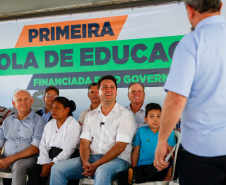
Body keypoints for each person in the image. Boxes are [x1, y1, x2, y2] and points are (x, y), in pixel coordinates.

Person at [154, 1, 226, 185]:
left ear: (191, 11)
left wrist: (162, 141)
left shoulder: (192, 42)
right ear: (220, 6)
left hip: (202, 152)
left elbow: (176, 99)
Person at [49, 75, 136, 185]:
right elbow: (84, 142)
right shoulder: (90, 115)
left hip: (118, 160)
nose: (108, 90)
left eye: (112, 87)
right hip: (91, 159)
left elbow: (120, 147)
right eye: (104, 87)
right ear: (99, 92)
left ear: (116, 91)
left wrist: (97, 164)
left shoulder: (125, 115)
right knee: (57, 168)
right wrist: (85, 162)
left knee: (101, 170)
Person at [27, 97, 81, 185]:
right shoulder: (50, 124)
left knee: (56, 173)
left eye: (57, 108)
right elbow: (43, 145)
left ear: (67, 110)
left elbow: (68, 150)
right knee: (36, 174)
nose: (53, 110)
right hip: (47, 158)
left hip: (66, 159)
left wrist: (52, 163)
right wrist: (45, 162)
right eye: (52, 107)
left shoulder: (73, 125)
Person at [118, 103, 175, 185]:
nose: (155, 119)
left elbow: (170, 156)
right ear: (146, 119)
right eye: (151, 116)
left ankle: (136, 177)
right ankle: (135, 176)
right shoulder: (141, 131)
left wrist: (169, 175)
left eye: (158, 116)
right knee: (122, 176)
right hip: (142, 167)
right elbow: (136, 152)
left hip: (159, 169)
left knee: (156, 166)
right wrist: (133, 169)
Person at [0, 89, 46, 185]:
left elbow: (35, 148)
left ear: (31, 101)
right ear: (14, 103)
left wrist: (10, 159)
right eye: (19, 100)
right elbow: (0, 141)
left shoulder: (39, 121)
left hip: (29, 160)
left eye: (26, 99)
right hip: (6, 158)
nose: (23, 102)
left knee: (18, 165)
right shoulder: (8, 120)